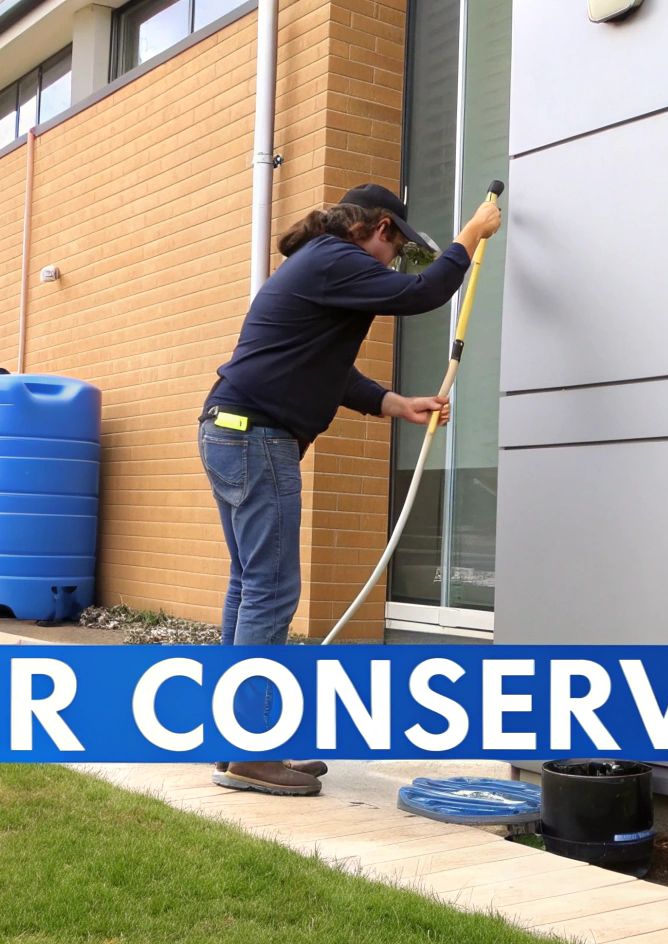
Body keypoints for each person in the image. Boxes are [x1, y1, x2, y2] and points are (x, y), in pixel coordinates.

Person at [199, 182, 502, 796]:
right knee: (270, 589)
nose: (392, 265)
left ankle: (233, 739)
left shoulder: (318, 264)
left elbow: (330, 372)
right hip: (257, 438)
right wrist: (471, 234)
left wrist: (396, 404)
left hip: (231, 430)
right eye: (397, 248)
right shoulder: (335, 257)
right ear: (380, 227)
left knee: (249, 584)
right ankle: (251, 750)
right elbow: (423, 293)